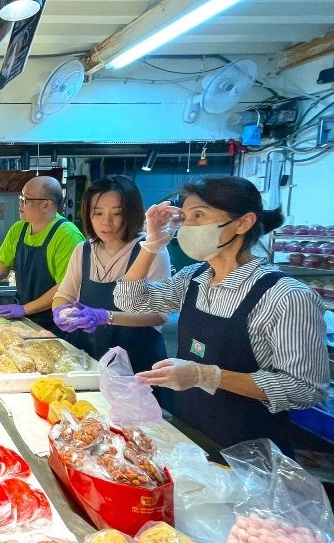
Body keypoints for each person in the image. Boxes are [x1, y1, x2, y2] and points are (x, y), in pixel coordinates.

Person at [114, 176, 328, 458]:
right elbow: (129, 300)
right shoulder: (194, 278)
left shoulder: (286, 296)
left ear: (243, 223)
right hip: (190, 438)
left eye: (199, 216)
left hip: (251, 455)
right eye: (184, 218)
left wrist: (206, 375)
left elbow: (305, 388)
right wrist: (152, 245)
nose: (188, 227)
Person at [51, 176, 171, 405]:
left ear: (132, 214)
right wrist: (60, 312)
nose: (106, 222)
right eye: (97, 213)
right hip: (89, 357)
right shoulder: (83, 250)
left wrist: (106, 317)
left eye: (117, 213)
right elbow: (64, 295)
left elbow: (160, 315)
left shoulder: (151, 250)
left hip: (137, 363)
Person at [0, 176, 85, 333]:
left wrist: (25, 309)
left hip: (56, 323)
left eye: (26, 199)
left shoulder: (67, 236)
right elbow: (3, 264)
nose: (20, 204)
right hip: (25, 317)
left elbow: (66, 288)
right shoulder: (18, 229)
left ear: (46, 205)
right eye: (21, 198)